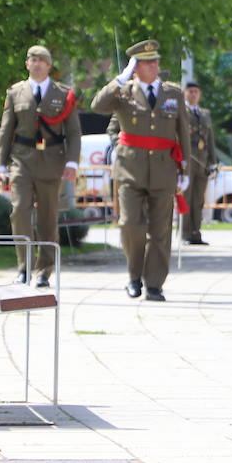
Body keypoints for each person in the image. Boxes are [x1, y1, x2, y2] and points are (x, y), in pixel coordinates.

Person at [91, 39, 190, 302]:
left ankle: (154, 284)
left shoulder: (173, 93)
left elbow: (184, 133)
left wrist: (185, 168)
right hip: (130, 170)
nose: (154, 65)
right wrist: (120, 79)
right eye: (147, 62)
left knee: (160, 231)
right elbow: (97, 106)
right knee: (130, 225)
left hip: (164, 169)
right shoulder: (123, 92)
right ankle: (134, 276)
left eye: (156, 61)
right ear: (136, 67)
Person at [0, 44, 82, 288]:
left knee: (47, 218)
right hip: (21, 160)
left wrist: (72, 161)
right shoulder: (15, 92)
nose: (38, 63)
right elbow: (5, 130)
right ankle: (24, 266)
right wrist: (0, 165)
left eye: (43, 60)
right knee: (19, 209)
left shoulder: (63, 94)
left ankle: (44, 270)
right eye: (34, 59)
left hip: (52, 162)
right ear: (27, 64)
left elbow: (73, 132)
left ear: (49, 65)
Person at [182, 83, 219, 245]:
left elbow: (209, 139)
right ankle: (185, 233)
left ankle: (196, 233)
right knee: (186, 198)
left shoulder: (205, 114)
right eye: (190, 91)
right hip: (187, 160)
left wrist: (213, 162)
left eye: (196, 92)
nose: (193, 94)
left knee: (198, 200)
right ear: (185, 93)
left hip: (202, 162)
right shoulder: (181, 112)